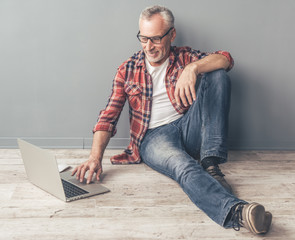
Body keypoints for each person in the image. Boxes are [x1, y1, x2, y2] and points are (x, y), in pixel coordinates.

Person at [72, 5, 272, 235]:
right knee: (183, 166)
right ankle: (238, 213)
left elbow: (226, 59)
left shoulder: (183, 56)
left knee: (217, 74)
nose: (149, 47)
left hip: (188, 127)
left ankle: (210, 162)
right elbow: (108, 116)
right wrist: (94, 158)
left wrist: (193, 68)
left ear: (171, 34)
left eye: (156, 39)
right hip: (154, 138)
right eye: (143, 38)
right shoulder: (127, 69)